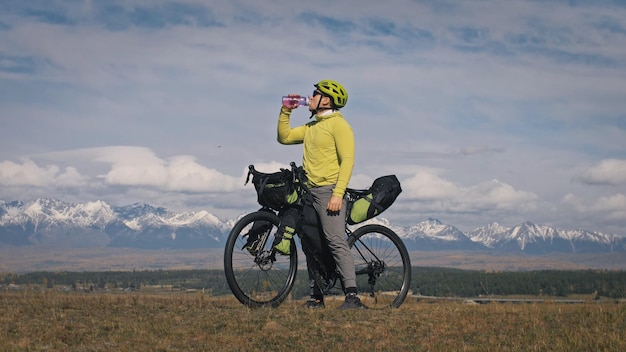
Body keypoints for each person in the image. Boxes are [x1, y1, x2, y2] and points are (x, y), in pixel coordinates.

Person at [277, 79, 366, 309]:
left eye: (315, 94)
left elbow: (348, 160)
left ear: (325, 99)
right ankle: (317, 297)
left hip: (329, 192)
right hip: (309, 192)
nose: (310, 96)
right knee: (310, 243)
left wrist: (338, 193)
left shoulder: (339, 125)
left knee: (335, 241)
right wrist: (286, 110)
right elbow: (284, 137)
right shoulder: (311, 127)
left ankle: (352, 296)